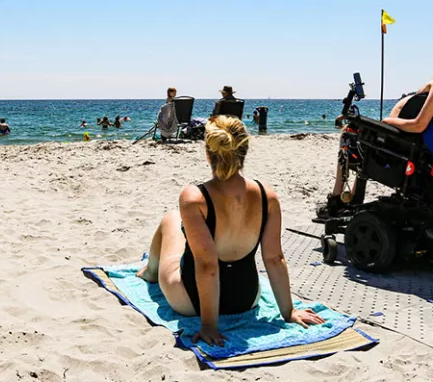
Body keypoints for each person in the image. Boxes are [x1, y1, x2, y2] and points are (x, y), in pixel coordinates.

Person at [136, 116, 324, 345]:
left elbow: (207, 266)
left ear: (208, 153)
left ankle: (150, 272)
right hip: (246, 299)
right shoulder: (268, 196)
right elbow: (275, 258)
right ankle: (151, 270)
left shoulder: (194, 198)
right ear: (244, 150)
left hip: (191, 301)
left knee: (171, 219)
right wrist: (289, 313)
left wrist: (208, 325)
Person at [322, 19, 433, 216]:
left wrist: (387, 122)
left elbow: (419, 124)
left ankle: (338, 199)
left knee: (349, 132)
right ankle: (352, 196)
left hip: (408, 148)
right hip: (431, 148)